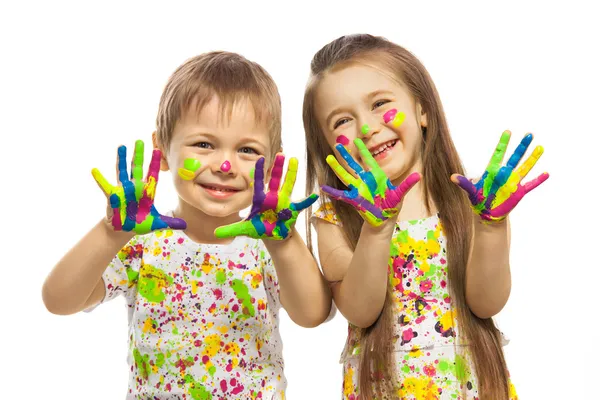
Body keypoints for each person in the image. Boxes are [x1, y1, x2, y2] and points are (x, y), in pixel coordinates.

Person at [42, 51, 332, 399]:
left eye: (248, 150)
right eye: (204, 144)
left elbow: (312, 314)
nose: (225, 164)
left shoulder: (265, 248)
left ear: (271, 165)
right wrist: (111, 233)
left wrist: (284, 244)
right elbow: (58, 300)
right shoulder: (143, 244)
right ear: (162, 151)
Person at [303, 34, 548, 399]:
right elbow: (359, 310)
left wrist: (492, 226)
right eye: (342, 121)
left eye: (380, 103)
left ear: (423, 110)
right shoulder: (334, 216)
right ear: (326, 147)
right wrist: (376, 228)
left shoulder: (474, 202)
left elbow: (487, 302)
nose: (367, 128)